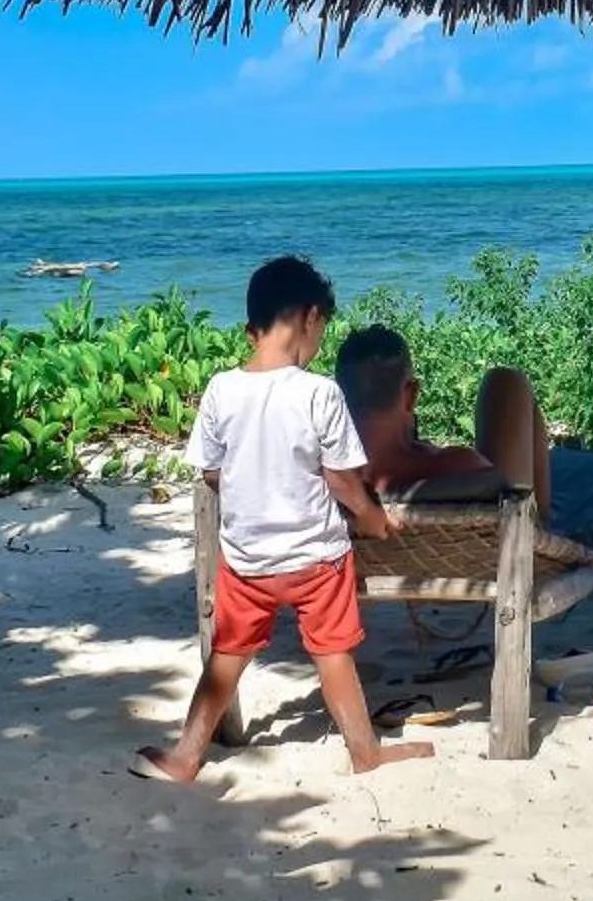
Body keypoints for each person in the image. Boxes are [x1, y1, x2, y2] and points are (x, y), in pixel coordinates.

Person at [137, 257, 428, 783]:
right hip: (317, 558)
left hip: (247, 560)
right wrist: (372, 517)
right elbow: (342, 480)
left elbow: (211, 472)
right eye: (323, 328)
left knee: (227, 655)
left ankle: (185, 756)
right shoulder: (320, 393)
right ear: (311, 317)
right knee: (333, 654)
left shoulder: (221, 389)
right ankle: (364, 751)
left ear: (253, 326)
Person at [333, 325, 552, 520]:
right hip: (514, 544)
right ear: (411, 394)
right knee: (506, 382)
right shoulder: (455, 468)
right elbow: (501, 486)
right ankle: (545, 518)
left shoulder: (330, 481)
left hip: (372, 551)